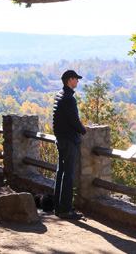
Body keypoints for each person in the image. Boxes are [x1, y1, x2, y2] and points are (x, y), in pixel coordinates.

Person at [52, 70, 86, 220]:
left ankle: (58, 207)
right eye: (76, 79)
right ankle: (66, 209)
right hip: (69, 140)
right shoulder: (68, 99)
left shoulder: (60, 95)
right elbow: (73, 120)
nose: (77, 82)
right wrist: (83, 130)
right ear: (69, 80)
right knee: (69, 175)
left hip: (61, 138)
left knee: (61, 173)